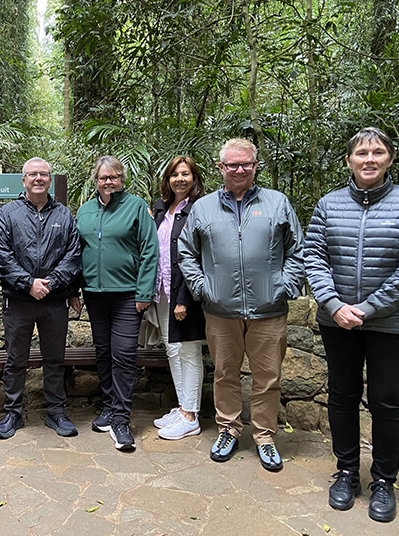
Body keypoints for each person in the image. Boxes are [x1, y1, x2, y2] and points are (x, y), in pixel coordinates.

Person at [178, 138, 305, 472]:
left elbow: (297, 251)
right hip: (220, 311)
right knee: (225, 374)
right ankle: (229, 429)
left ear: (254, 166)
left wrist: (284, 286)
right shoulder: (203, 207)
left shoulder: (277, 203)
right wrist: (203, 289)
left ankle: (264, 436)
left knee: (268, 377)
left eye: (245, 164)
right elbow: (186, 253)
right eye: (231, 164)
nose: (238, 170)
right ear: (221, 168)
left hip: (269, 310)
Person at [305, 127, 399, 523]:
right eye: (361, 153)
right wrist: (333, 304)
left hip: (388, 324)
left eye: (378, 152)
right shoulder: (328, 204)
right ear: (348, 160)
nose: (369, 159)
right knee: (342, 395)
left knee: (387, 401)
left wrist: (368, 307)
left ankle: (384, 480)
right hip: (337, 321)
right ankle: (346, 472)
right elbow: (313, 255)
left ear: (390, 159)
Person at [73, 156, 159, 451]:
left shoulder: (136, 207)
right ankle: (109, 406)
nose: (107, 182)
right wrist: (74, 289)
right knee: (104, 353)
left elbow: (150, 251)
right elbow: (74, 252)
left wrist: (144, 293)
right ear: (95, 181)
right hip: (95, 294)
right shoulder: (84, 211)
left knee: (123, 354)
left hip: (127, 295)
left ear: (122, 178)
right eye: (102, 178)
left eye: (113, 177)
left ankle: (121, 418)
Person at [0, 157, 81, 439]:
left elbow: (73, 254)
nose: (39, 179)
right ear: (24, 180)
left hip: (54, 301)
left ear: (50, 179)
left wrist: (51, 284)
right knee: (15, 359)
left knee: (55, 359)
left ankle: (56, 411)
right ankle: (12, 413)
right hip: (18, 301)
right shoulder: (7, 214)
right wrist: (28, 283)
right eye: (33, 174)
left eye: (44, 174)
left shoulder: (64, 215)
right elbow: (2, 256)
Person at [151, 156, 206, 440]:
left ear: (194, 177)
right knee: (173, 350)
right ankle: (183, 405)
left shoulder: (200, 209)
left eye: (185, 174)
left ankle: (191, 415)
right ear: (168, 179)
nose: (180, 179)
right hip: (163, 291)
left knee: (189, 351)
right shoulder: (162, 208)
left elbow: (199, 256)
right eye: (174, 174)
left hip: (185, 294)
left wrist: (185, 297)